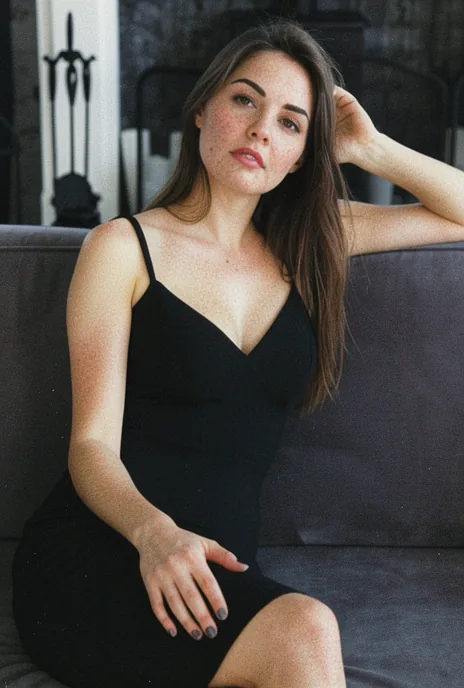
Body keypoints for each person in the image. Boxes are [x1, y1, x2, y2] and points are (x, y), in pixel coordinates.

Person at [11, 16, 464, 688]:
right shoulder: (122, 249)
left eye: (290, 122)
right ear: (201, 109)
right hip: (107, 551)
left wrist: (370, 148)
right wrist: (156, 536)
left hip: (216, 574)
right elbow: (91, 446)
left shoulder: (314, 242)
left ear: (303, 154)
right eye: (245, 99)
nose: (260, 130)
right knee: (308, 626)